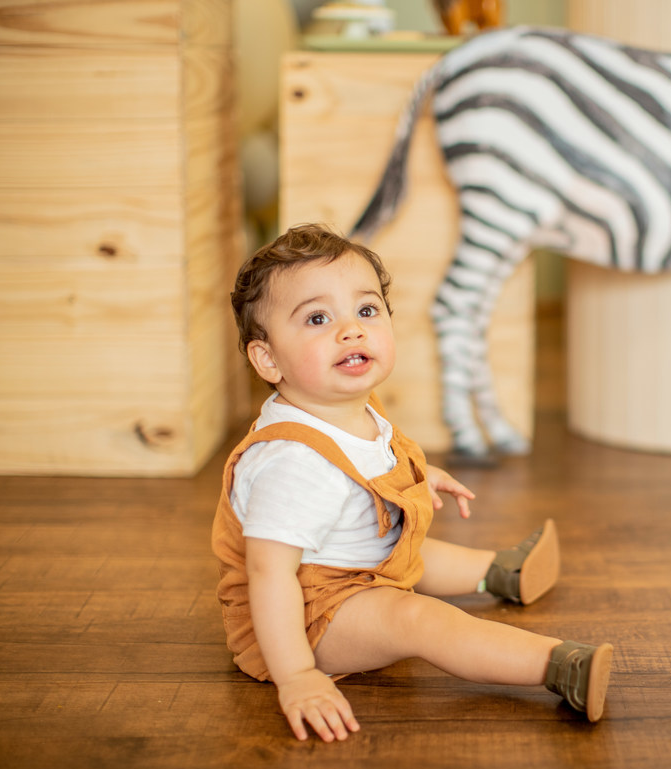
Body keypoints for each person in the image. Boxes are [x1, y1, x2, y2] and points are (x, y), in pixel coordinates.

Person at [211, 223, 614, 742]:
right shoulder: (290, 463)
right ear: (267, 358)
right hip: (305, 620)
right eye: (317, 318)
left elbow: (371, 466)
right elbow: (270, 578)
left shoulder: (350, 405)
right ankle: (558, 668)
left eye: (366, 310)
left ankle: (501, 572)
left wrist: (426, 477)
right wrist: (298, 676)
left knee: (415, 544)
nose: (351, 330)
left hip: (354, 568)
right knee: (418, 618)